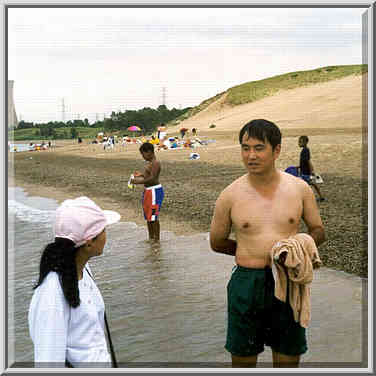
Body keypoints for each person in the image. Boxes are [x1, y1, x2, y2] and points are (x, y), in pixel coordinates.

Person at [210, 119, 326, 368]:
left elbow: (318, 230)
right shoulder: (230, 195)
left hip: (289, 279)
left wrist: (299, 246)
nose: (250, 155)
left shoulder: (299, 189)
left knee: (287, 359)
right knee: (242, 360)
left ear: (276, 150)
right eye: (245, 147)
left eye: (258, 147)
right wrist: (249, 252)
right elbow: (217, 242)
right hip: (246, 283)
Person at [28, 197, 121, 367]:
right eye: (104, 230)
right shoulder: (52, 295)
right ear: (89, 243)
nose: (106, 235)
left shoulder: (82, 270)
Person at [131, 142, 164, 242]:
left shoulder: (155, 163)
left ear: (149, 152)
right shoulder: (150, 164)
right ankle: (151, 238)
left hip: (154, 191)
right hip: (148, 192)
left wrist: (137, 182)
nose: (143, 156)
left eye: (143, 154)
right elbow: (147, 176)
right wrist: (139, 175)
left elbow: (153, 179)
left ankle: (157, 240)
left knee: (153, 217)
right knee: (149, 217)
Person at [296, 135, 325, 202]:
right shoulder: (305, 150)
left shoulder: (305, 150)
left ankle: (318, 197)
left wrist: (312, 170)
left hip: (306, 171)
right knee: (311, 184)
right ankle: (320, 196)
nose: (299, 143)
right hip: (304, 171)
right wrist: (299, 166)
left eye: (300, 142)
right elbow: (304, 161)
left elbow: (308, 161)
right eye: (299, 142)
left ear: (305, 142)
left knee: (307, 184)